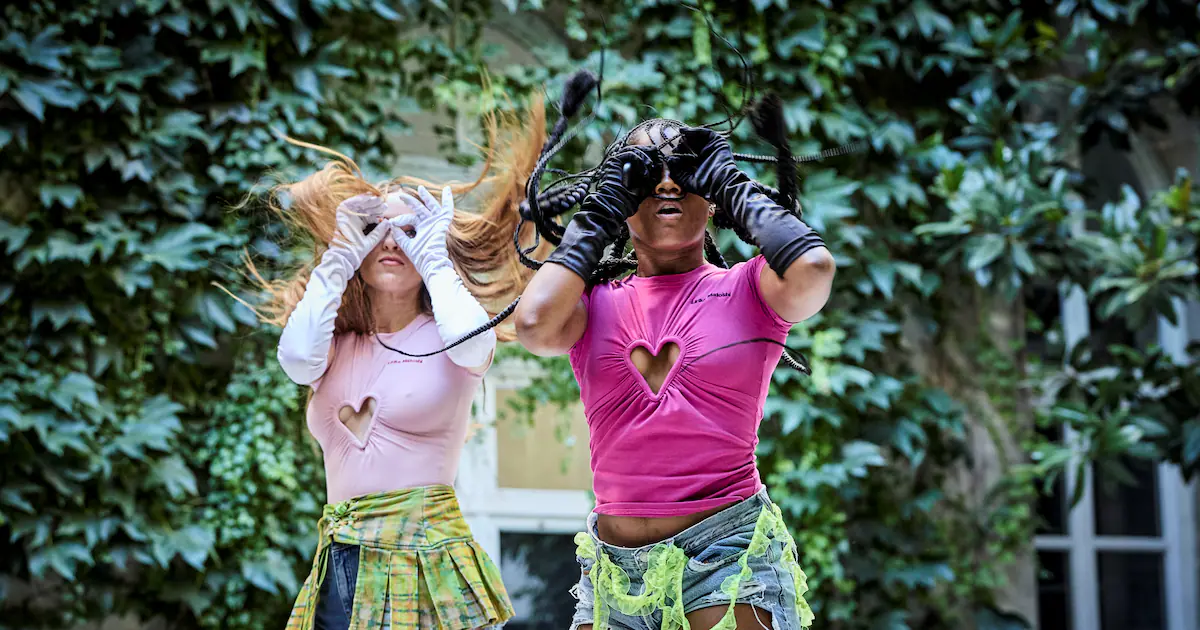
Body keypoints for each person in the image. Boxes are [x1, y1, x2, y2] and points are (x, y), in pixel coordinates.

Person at [514, 117, 834, 630]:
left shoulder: (750, 290)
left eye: (685, 169)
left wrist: (731, 184)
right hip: (613, 574)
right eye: (644, 174)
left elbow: (813, 269)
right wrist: (601, 208)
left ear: (709, 194)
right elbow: (531, 325)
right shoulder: (591, 305)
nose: (667, 183)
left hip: (725, 556)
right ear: (622, 196)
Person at [253, 106, 546, 630]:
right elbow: (296, 361)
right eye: (376, 228)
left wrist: (435, 259)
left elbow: (475, 345)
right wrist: (339, 257)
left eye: (409, 228)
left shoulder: (453, 336)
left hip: (427, 558)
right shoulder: (333, 345)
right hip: (341, 559)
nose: (391, 239)